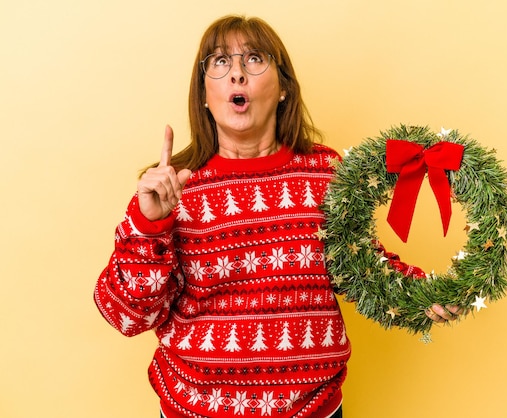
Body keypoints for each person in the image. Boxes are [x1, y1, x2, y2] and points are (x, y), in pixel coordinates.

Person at [94, 15, 462, 418]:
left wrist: (421, 297)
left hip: (313, 410)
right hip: (196, 409)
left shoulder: (326, 174)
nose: (237, 74)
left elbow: (359, 269)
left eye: (254, 59)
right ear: (203, 93)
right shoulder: (173, 189)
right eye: (219, 62)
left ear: (284, 87)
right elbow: (127, 316)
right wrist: (148, 225)